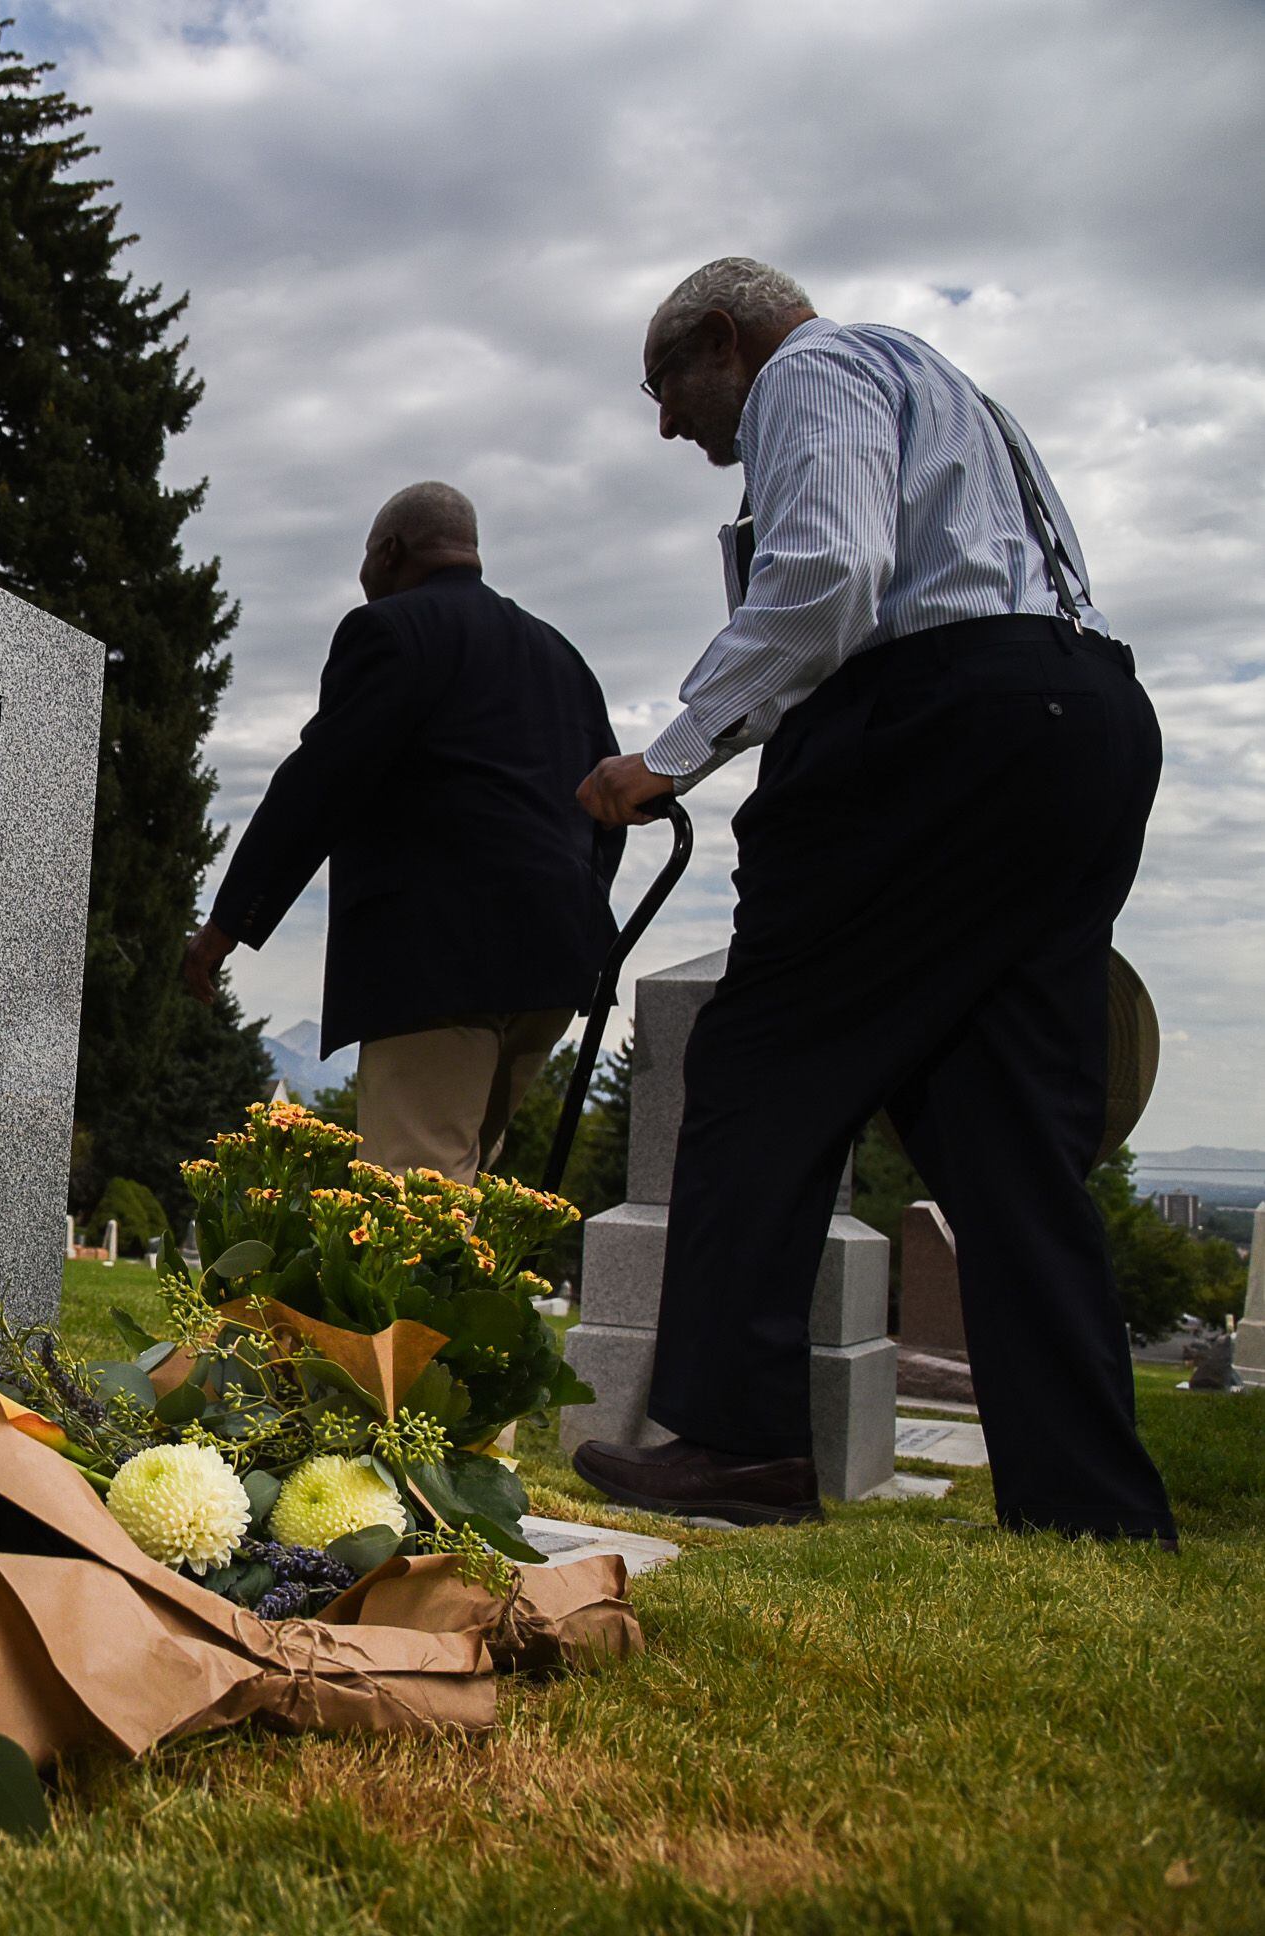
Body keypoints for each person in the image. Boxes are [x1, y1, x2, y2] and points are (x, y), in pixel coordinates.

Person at [570, 258, 1173, 1543]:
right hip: (1081, 721)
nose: (668, 425)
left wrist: (663, 754)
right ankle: (1089, 1505)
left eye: (662, 387)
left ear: (722, 339)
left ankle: (738, 1443)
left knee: (759, 1062)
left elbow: (830, 573)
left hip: (935, 730)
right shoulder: (945, 388)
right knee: (1009, 1137)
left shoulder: (813, 370)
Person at [182, 482, 623, 1182]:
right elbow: (607, 811)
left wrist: (224, 929)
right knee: (464, 1187)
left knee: (410, 1198)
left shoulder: (389, 632)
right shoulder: (563, 658)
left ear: (388, 552)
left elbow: (319, 785)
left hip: (438, 959)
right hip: (557, 961)